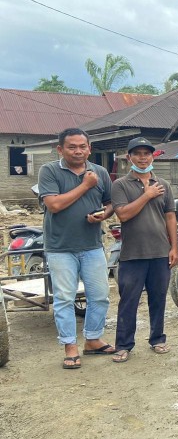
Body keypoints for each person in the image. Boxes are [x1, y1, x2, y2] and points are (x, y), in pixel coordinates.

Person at [37, 128, 116, 369]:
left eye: (83, 146)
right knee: (64, 298)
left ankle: (92, 339)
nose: (78, 151)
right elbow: (54, 205)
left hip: (92, 245)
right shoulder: (49, 170)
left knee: (100, 295)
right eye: (72, 147)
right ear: (60, 149)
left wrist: (103, 215)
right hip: (60, 247)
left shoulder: (100, 172)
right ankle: (70, 346)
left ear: (89, 149)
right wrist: (85, 185)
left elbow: (110, 203)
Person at [110, 137, 178, 363]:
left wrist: (174, 247)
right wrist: (147, 195)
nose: (142, 158)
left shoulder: (163, 184)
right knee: (128, 301)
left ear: (152, 156)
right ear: (129, 157)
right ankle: (123, 345)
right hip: (132, 254)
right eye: (137, 154)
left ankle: (157, 339)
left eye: (146, 153)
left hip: (160, 252)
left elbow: (170, 217)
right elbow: (123, 214)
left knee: (158, 299)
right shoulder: (120, 185)